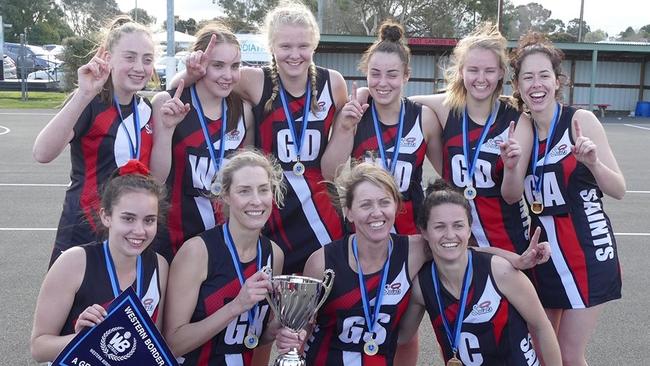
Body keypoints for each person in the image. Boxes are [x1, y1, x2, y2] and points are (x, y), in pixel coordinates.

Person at [171, 1, 349, 275]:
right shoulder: (253, 80)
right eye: (285, 46)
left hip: (320, 212)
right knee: (269, 294)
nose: (294, 54)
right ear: (271, 47)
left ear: (315, 45)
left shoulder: (333, 83)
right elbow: (197, 81)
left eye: (303, 46)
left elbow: (333, 165)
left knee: (323, 291)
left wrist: (349, 124)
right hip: (268, 207)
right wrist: (189, 72)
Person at [504, 32, 625, 366]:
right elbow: (512, 195)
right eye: (527, 77)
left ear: (557, 82)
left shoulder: (579, 121)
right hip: (546, 259)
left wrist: (593, 163)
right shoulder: (524, 127)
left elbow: (618, 189)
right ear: (517, 84)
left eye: (544, 75)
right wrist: (512, 166)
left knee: (569, 354)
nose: (536, 84)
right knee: (543, 350)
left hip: (587, 252)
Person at [277, 162, 431, 365]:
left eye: (385, 202)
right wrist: (291, 336)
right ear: (349, 212)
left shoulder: (417, 251)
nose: (376, 213)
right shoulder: (322, 262)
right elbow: (303, 324)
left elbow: (461, 250)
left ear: (396, 205)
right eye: (365, 204)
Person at [33, 16, 156, 267]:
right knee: (71, 304)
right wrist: (83, 94)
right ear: (108, 59)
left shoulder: (147, 110)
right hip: (83, 228)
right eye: (129, 57)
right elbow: (42, 152)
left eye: (147, 59)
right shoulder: (91, 103)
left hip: (130, 232)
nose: (139, 67)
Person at [398, 179, 562, 365]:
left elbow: (542, 327)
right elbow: (402, 337)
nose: (450, 234)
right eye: (439, 226)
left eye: (458, 225)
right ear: (424, 232)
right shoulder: (422, 286)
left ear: (469, 230)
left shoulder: (500, 272)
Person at [30, 160, 169, 362]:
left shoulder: (159, 266)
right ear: (106, 216)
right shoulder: (74, 262)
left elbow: (152, 342)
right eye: (128, 218)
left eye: (149, 220)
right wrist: (84, 337)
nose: (139, 231)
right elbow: (38, 348)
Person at [409, 23, 530, 254]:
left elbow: (512, 196)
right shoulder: (447, 110)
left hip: (505, 239)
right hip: (456, 239)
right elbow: (408, 102)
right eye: (473, 70)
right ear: (462, 71)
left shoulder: (517, 122)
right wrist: (365, 93)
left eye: (489, 71)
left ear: (501, 73)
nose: (481, 78)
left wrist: (512, 168)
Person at [163, 149, 286, 365]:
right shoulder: (197, 251)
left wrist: (273, 331)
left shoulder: (274, 254)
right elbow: (172, 344)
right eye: (244, 191)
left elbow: (250, 339)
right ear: (226, 196)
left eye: (264, 190)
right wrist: (236, 306)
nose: (256, 201)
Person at [322, 20, 442, 235]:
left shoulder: (424, 119)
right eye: (375, 74)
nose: (383, 82)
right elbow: (329, 173)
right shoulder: (356, 113)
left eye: (392, 75)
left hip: (410, 235)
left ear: (406, 76)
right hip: (363, 231)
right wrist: (345, 128)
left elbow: (447, 174)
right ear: (366, 74)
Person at [150, 22, 254, 262]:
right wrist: (167, 130)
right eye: (218, 65)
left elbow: (246, 176)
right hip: (172, 234)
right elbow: (155, 178)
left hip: (223, 236)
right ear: (199, 64)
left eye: (235, 66)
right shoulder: (169, 102)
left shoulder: (243, 111)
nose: (228, 75)